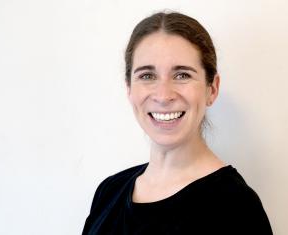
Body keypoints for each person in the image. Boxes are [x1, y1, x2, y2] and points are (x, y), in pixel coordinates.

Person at [83, 11, 272, 234]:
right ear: (129, 88)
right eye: (147, 76)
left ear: (212, 89)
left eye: (182, 75)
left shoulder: (237, 207)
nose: (163, 96)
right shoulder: (108, 191)